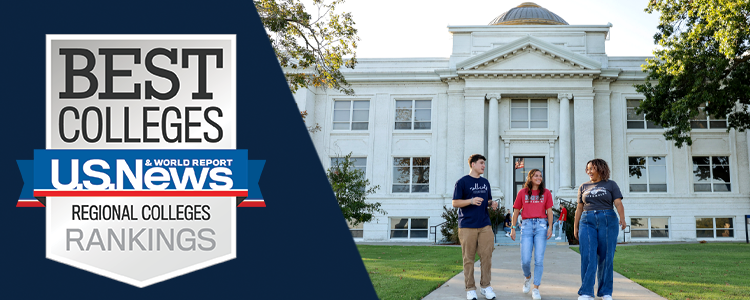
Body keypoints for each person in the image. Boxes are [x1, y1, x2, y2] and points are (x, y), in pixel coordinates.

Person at [574, 159, 627, 300]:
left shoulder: (611, 184)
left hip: (608, 220)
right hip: (587, 221)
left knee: (606, 257)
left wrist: (622, 218)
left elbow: (618, 202)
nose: (589, 171)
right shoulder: (583, 186)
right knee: (587, 256)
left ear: (601, 169)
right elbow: (579, 208)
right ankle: (586, 292)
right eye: (587, 169)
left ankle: (605, 292)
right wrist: (576, 226)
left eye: (592, 168)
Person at [453, 154, 499, 300]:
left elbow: (488, 200)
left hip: (484, 224)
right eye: (481, 163)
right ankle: (470, 288)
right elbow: (455, 202)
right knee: (469, 258)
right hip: (467, 225)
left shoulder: (485, 182)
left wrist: (492, 204)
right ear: (473, 164)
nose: (483, 166)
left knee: (487, 256)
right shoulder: (462, 182)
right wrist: (471, 201)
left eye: (484, 163)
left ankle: (486, 286)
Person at [510, 169, 553, 300]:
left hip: (541, 226)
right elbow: (516, 211)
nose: (539, 178)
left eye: (540, 176)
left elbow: (549, 211)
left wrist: (550, 227)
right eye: (536, 176)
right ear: (530, 178)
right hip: (527, 226)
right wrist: (512, 228)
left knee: (539, 260)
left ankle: (536, 288)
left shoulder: (546, 193)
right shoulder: (522, 192)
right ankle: (528, 277)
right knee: (525, 260)